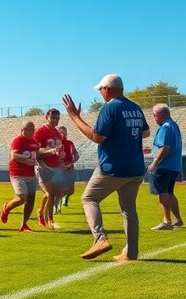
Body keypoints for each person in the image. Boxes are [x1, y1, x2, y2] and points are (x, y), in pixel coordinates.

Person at [62, 73, 149, 261]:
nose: (100, 93)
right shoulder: (135, 107)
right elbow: (145, 132)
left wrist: (75, 117)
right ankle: (131, 253)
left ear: (107, 90)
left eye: (101, 89)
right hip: (135, 167)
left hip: (113, 167)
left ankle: (100, 239)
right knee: (129, 209)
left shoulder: (109, 108)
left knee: (89, 198)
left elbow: (97, 137)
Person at [148, 104, 183, 230]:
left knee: (163, 193)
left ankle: (166, 221)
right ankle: (177, 219)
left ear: (163, 114)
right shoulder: (173, 125)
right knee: (169, 192)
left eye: (155, 115)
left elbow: (165, 147)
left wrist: (154, 162)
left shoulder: (166, 127)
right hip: (174, 164)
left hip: (164, 165)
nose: (154, 118)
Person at [0, 121, 39, 232]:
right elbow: (13, 155)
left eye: (33, 129)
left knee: (31, 198)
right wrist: (26, 159)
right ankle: (7, 208)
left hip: (30, 173)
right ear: (23, 130)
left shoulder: (34, 141)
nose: (32, 131)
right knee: (22, 197)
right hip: (17, 173)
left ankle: (24, 224)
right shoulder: (18, 140)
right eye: (30, 129)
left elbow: (38, 153)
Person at [33, 109, 66, 229]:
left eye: (57, 118)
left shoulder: (57, 133)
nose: (54, 120)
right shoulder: (40, 131)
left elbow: (59, 150)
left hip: (55, 166)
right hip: (43, 165)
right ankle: (50, 220)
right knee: (50, 193)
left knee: (55, 193)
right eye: (52, 118)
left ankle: (41, 212)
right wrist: (48, 154)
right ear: (47, 117)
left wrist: (61, 157)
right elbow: (36, 151)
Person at [56, 126, 79, 210]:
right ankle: (56, 205)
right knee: (62, 189)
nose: (63, 135)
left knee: (71, 191)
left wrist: (71, 162)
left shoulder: (69, 143)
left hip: (70, 169)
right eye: (61, 133)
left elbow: (76, 155)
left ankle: (65, 197)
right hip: (60, 169)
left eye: (64, 133)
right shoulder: (56, 144)